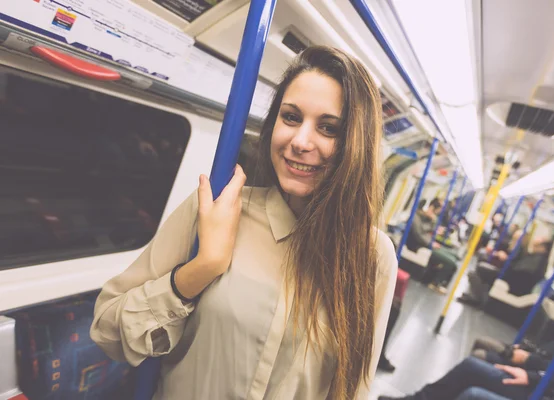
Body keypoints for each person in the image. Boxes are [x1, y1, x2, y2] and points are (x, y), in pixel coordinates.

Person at [90, 46, 397, 399]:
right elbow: (108, 330)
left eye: (328, 128)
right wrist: (202, 269)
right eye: (291, 118)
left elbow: (352, 390)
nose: (299, 141)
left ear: (356, 145)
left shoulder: (372, 256)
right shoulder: (217, 209)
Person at [379, 336, 554, 400]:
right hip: (543, 376)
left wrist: (534, 375)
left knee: (471, 371)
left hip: (548, 390)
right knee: (477, 358)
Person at [459, 236, 550, 308]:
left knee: (481, 268)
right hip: (513, 279)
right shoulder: (536, 258)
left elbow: (517, 272)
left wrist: (505, 262)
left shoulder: (537, 261)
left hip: (513, 283)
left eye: (536, 246)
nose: (533, 247)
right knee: (478, 270)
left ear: (543, 248)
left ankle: (477, 299)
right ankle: (476, 296)